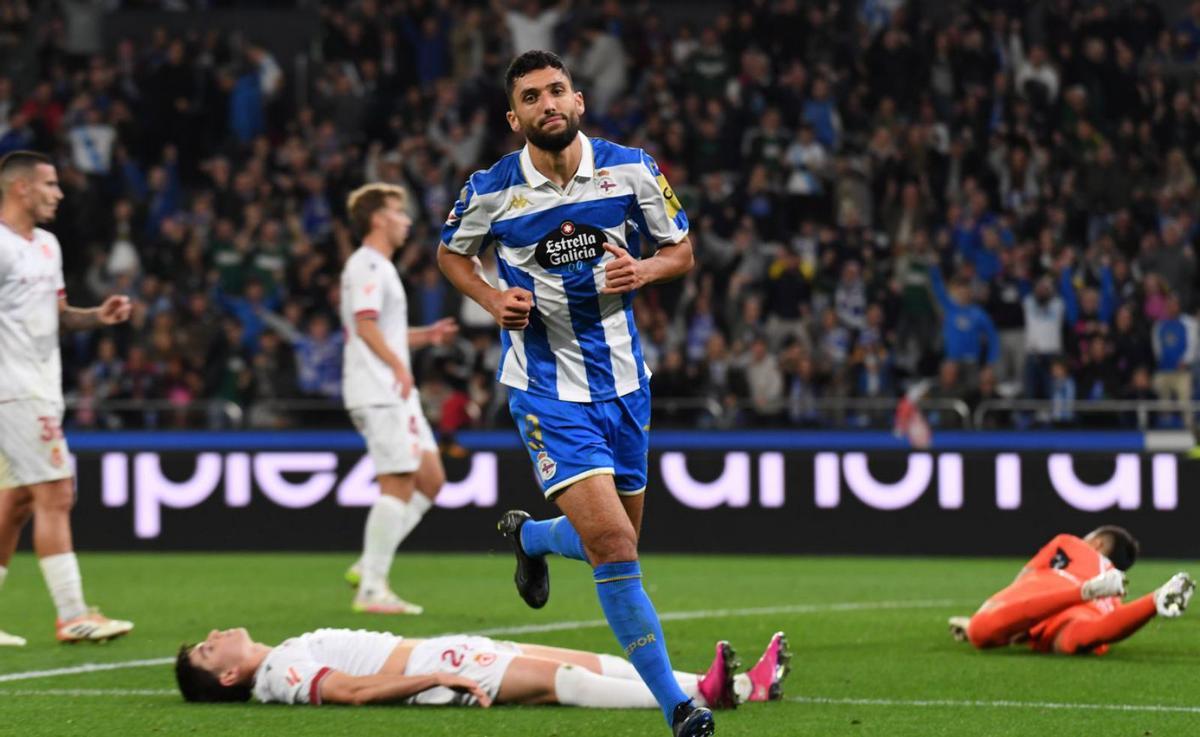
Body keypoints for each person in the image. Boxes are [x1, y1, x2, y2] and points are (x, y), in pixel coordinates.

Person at [436, 51, 707, 736]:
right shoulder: (492, 189)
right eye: (531, 97)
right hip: (547, 390)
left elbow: (682, 250)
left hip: (625, 385)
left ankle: (528, 536)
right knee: (615, 545)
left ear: (578, 101)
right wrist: (492, 297)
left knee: (613, 545)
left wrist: (643, 270)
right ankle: (678, 706)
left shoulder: (632, 169)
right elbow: (450, 253)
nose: (547, 104)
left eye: (557, 91)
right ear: (515, 116)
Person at [0, 150, 134, 646]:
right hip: (14, 391)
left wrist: (97, 315)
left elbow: (57, 313)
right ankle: (73, 614)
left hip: (40, 386)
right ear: (21, 189)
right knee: (57, 491)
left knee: (15, 503)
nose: (58, 193)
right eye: (50, 184)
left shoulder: (48, 246)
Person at [175, 625, 790, 712]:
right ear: (228, 678)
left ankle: (739, 687)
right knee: (566, 683)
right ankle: (698, 699)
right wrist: (435, 677)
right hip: (435, 665)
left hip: (442, 651)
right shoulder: (277, 674)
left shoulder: (280, 655)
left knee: (584, 661)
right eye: (207, 651)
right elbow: (353, 693)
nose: (213, 638)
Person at [338, 183, 459, 615]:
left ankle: (370, 562)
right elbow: (365, 325)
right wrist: (398, 366)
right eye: (398, 212)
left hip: (391, 390)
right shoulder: (368, 264)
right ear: (377, 219)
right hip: (379, 389)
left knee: (431, 479)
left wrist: (426, 337)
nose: (407, 220)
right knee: (399, 481)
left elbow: (381, 331)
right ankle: (372, 587)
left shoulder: (381, 267)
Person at [948, 526, 1194, 654]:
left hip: (1057, 589)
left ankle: (1084, 591)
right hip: (1103, 604)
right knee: (1078, 638)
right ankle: (1154, 600)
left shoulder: (1071, 544)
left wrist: (985, 620)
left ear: (1096, 542)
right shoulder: (1115, 590)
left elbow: (1020, 583)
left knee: (980, 631)